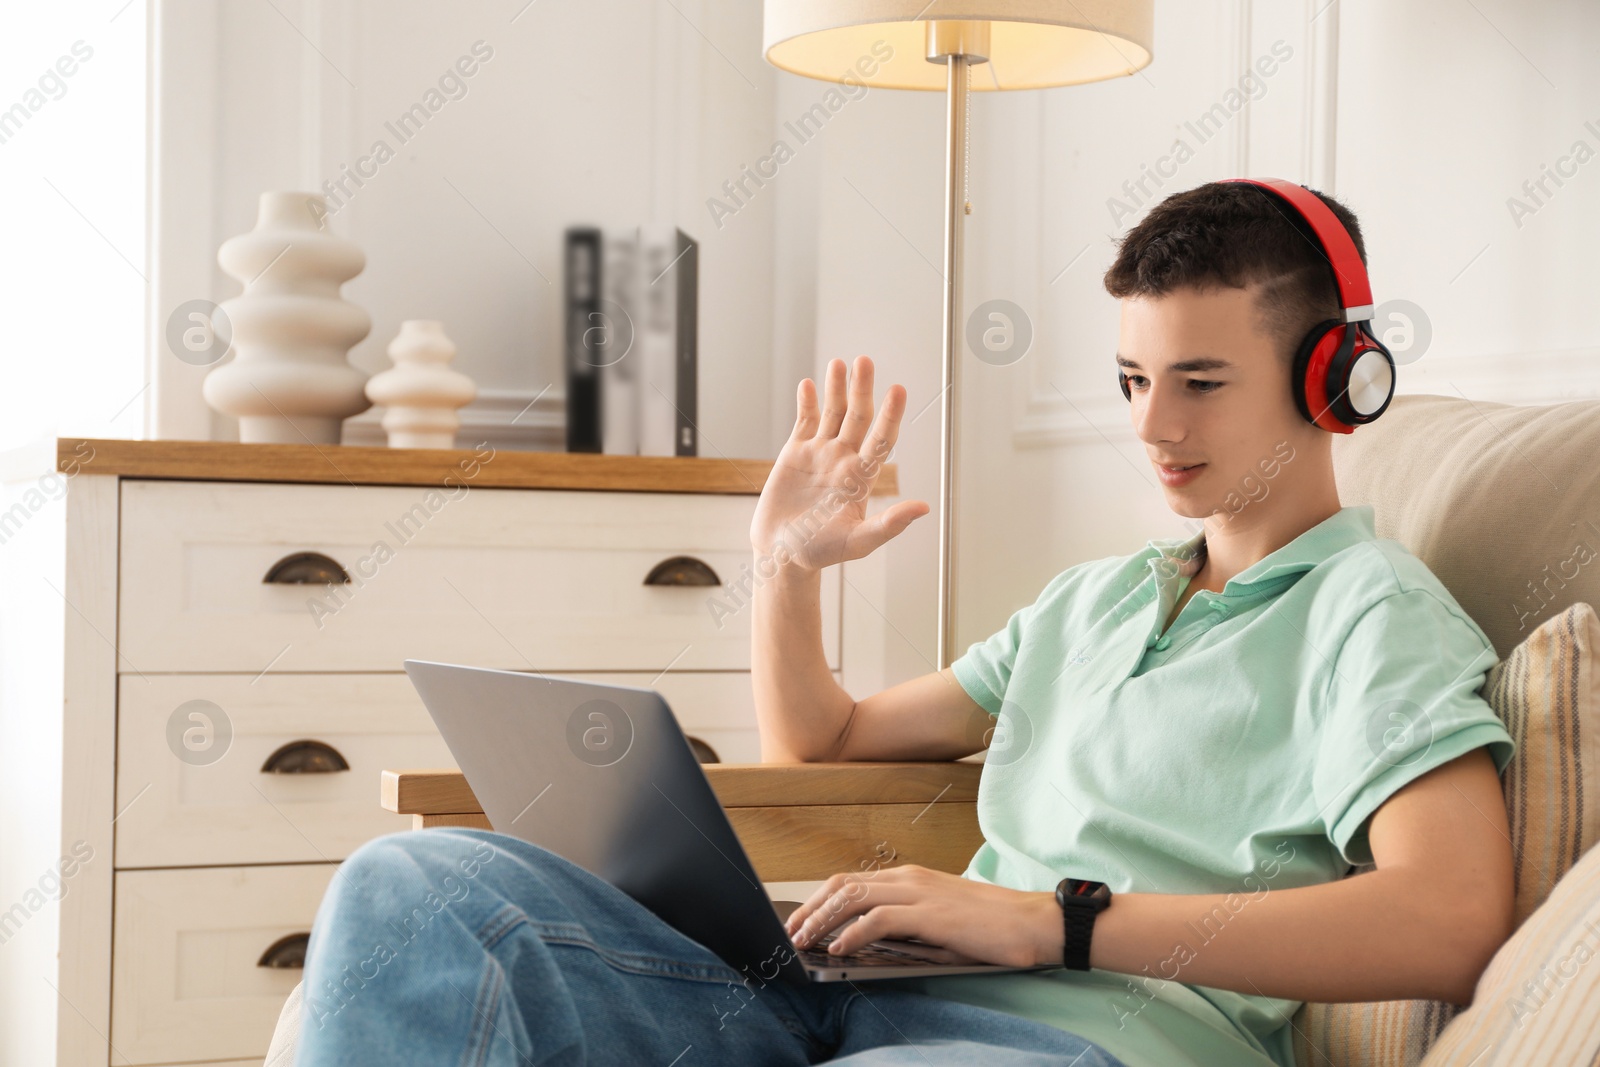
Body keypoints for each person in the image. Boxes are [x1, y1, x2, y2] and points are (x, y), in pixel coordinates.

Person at [294, 181, 1516, 1067]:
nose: (1152, 429)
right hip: (846, 998)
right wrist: (782, 566)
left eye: (1200, 383)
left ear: (1333, 380)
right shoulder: (1092, 599)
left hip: (1084, 1042)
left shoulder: (1372, 613)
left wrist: (1054, 920)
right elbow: (824, 745)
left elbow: (1449, 917)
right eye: (1134, 382)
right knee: (411, 886)